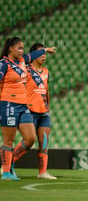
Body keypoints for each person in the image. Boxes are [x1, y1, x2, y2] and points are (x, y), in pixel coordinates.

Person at [0, 37, 55, 181]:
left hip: (23, 106)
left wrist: (45, 50)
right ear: (10, 48)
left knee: (30, 139)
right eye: (19, 48)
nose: (22, 51)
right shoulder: (4, 63)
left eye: (23, 48)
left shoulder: (22, 61)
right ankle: (6, 172)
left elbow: (32, 56)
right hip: (8, 104)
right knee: (8, 141)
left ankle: (11, 164)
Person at [22, 43, 56, 179]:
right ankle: (8, 165)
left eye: (45, 54)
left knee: (44, 142)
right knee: (28, 141)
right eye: (41, 53)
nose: (44, 56)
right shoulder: (26, 70)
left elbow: (46, 90)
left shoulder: (46, 71)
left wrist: (47, 106)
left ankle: (42, 172)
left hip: (44, 112)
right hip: (30, 110)